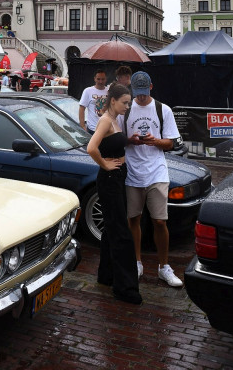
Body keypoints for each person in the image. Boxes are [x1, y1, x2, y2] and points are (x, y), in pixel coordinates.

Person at [121, 71, 183, 287]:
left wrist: (156, 141)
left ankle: (164, 267)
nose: (141, 98)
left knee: (159, 220)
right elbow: (119, 139)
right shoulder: (126, 110)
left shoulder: (162, 109)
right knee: (134, 219)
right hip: (132, 172)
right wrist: (131, 140)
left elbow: (172, 143)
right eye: (137, 94)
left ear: (151, 87)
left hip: (156, 171)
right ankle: (137, 262)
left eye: (144, 93)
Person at [87, 84, 142, 304]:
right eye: (125, 102)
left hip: (117, 179)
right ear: (113, 101)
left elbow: (113, 145)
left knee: (111, 230)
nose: (127, 107)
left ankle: (106, 276)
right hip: (109, 180)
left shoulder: (115, 120)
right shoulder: (105, 120)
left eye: (128, 103)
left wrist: (128, 142)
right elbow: (92, 147)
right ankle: (125, 288)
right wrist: (105, 165)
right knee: (121, 232)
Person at [79, 69, 109, 134]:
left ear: (106, 79)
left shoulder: (109, 91)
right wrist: (83, 126)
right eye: (98, 79)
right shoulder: (88, 91)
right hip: (93, 129)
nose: (100, 81)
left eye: (103, 79)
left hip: (107, 129)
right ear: (94, 79)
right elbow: (81, 109)